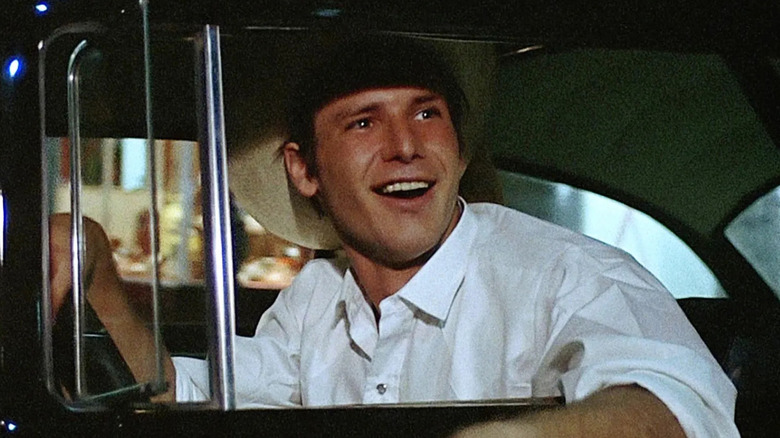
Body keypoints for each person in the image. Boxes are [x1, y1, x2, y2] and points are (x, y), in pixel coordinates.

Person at [50, 36, 737, 437]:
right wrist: (96, 275)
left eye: (427, 114)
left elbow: (676, 407)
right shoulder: (315, 300)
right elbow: (193, 398)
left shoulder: (564, 275)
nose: (405, 145)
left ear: (459, 148)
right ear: (305, 170)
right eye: (363, 122)